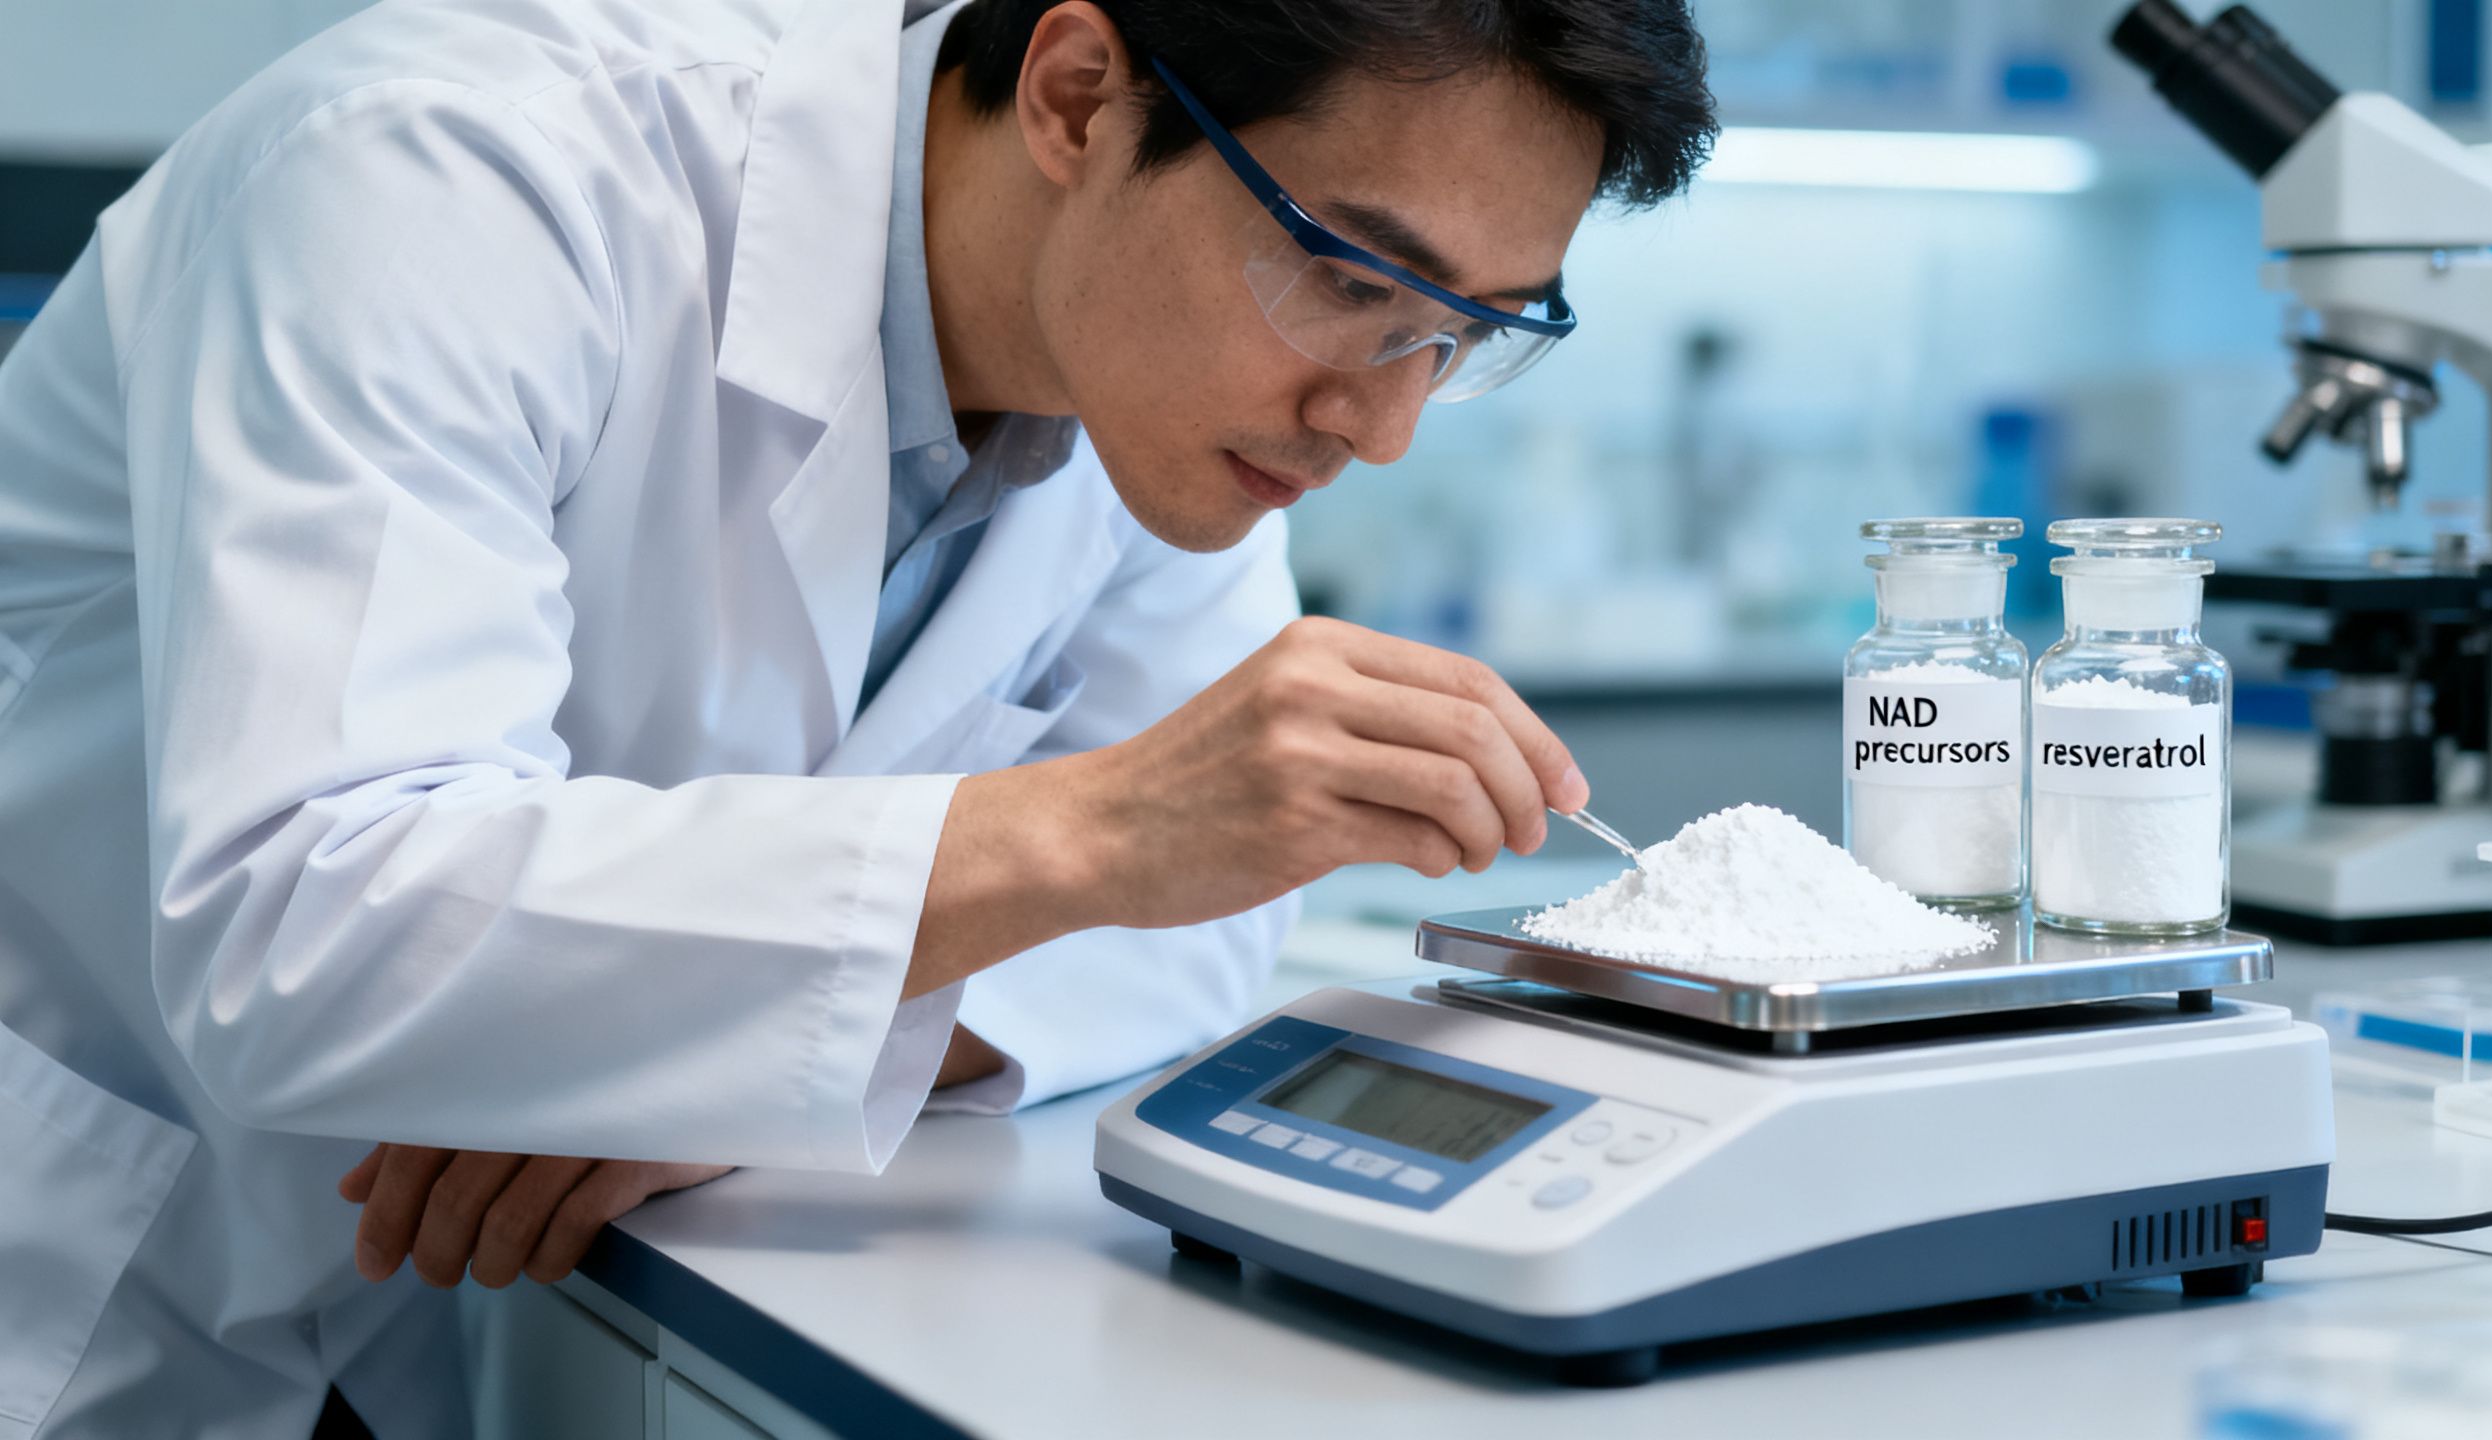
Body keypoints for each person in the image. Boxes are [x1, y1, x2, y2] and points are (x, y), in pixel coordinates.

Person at [0, 0, 1716, 1433]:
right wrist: (1092, 830)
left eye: (1465, 332)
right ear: (1078, 96)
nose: (1383, 421)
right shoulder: (453, 172)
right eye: (1352, 276)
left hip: (468, 1313)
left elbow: (1201, 935)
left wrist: (729, 1053)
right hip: (88, 1260)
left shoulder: (1152, 405)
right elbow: (303, 924)